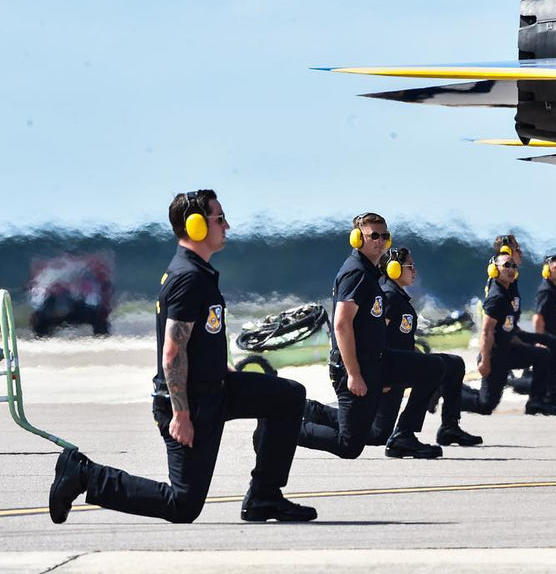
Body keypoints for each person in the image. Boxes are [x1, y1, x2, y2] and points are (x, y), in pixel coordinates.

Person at [48, 190, 317, 523]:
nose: (227, 226)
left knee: (288, 396)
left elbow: (199, 339)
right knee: (183, 505)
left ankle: (265, 497)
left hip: (216, 388)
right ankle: (85, 475)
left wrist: (224, 368)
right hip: (191, 402)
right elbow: (172, 354)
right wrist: (181, 415)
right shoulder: (188, 279)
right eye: (220, 219)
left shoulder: (197, 273)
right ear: (196, 226)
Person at [296, 213, 446, 459]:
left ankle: (405, 434)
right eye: (373, 235)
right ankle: (287, 426)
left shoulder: (371, 272)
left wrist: (390, 376)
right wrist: (354, 374)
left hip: (377, 361)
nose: (380, 240)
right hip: (355, 366)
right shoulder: (356, 273)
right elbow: (342, 325)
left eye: (384, 235)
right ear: (357, 239)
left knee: (433, 367)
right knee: (350, 445)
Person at [375, 246, 482, 448]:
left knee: (454, 364)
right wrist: (379, 375)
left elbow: (399, 337)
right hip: (391, 369)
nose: (414, 271)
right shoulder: (389, 298)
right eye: (410, 266)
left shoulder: (399, 296)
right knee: (376, 433)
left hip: (404, 363)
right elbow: (377, 336)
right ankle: (310, 414)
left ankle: (449, 427)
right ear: (394, 269)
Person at [461, 252, 556, 415]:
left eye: (514, 266)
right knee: (485, 405)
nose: (511, 269)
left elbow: (507, 326)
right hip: (495, 355)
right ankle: (449, 390)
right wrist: (485, 361)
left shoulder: (508, 293)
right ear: (494, 270)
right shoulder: (496, 297)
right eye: (506, 265)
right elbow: (487, 331)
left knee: (542, 355)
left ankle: (536, 401)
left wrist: (523, 343)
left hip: (509, 350)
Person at [488, 234, 556, 411]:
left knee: (554, 343)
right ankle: (537, 396)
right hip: (503, 337)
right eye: (517, 249)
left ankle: (549, 393)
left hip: (513, 331)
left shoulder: (511, 279)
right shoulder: (501, 281)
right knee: (545, 349)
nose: (521, 253)